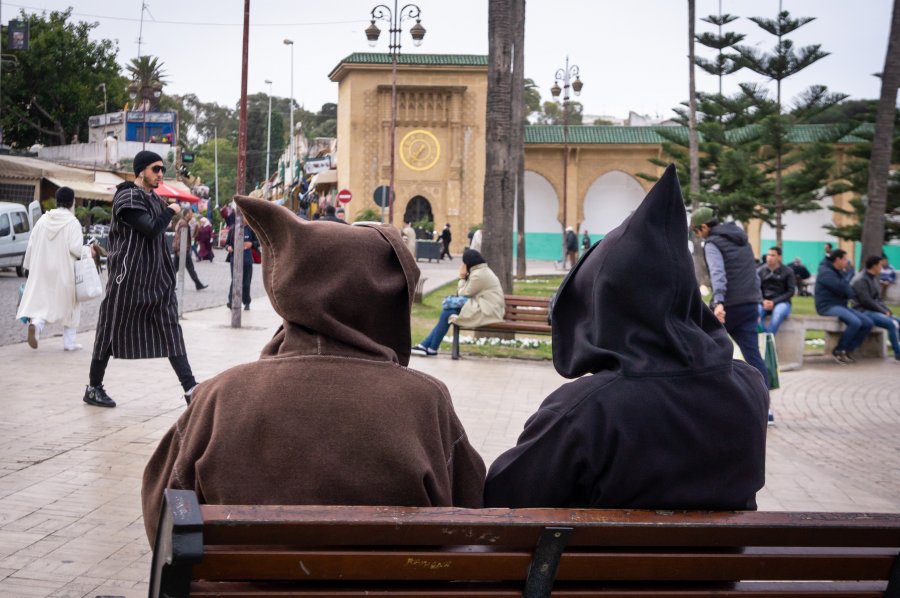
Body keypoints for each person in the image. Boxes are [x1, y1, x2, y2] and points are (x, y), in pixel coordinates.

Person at [141, 196, 486, 544]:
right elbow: (470, 511)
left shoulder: (219, 397)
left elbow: (164, 516)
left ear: (289, 290)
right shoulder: (425, 402)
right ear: (382, 299)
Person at [483, 165, 767, 510]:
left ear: (605, 305)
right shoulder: (750, 389)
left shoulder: (586, 412)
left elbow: (502, 501)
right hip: (729, 565)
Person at [85, 151, 199, 409]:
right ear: (140, 171)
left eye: (162, 169)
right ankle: (93, 387)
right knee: (109, 328)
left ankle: (191, 387)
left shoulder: (153, 198)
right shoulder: (127, 197)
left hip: (156, 279)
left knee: (170, 327)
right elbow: (150, 228)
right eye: (155, 169)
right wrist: (170, 210)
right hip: (128, 278)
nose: (160, 173)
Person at [691, 207, 768, 390]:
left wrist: (718, 302)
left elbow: (718, 273)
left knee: (707, 349)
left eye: (696, 231)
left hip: (728, 307)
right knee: (753, 355)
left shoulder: (712, 243)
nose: (697, 236)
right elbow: (753, 273)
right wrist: (757, 299)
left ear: (704, 227)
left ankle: (709, 397)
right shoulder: (743, 240)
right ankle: (765, 406)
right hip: (749, 304)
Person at [16, 187, 85, 351]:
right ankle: (69, 342)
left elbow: (31, 245)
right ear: (72, 202)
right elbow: (76, 248)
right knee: (70, 304)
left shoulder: (43, 220)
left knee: (43, 302)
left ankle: (37, 326)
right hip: (64, 270)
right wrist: (89, 251)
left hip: (42, 269)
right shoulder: (72, 222)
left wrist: (29, 267)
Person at [411, 248, 504, 357]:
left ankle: (428, 346)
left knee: (448, 312)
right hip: (483, 306)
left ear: (468, 263)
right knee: (448, 312)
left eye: (463, 263)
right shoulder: (480, 271)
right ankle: (430, 347)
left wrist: (462, 277)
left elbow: (463, 293)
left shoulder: (479, 275)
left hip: (488, 310)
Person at [815, 249, 874, 364]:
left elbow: (849, 291)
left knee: (867, 322)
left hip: (840, 305)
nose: (847, 262)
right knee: (855, 322)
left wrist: (847, 285)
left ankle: (848, 350)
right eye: (845, 259)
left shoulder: (838, 271)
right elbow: (841, 287)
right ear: (838, 260)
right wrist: (849, 274)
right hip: (827, 306)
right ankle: (838, 350)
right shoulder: (825, 272)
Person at [851, 255, 900, 363]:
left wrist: (887, 310)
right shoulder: (861, 280)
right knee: (892, 323)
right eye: (880, 266)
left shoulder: (872, 278)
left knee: (898, 320)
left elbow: (878, 299)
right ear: (874, 266)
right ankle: (898, 353)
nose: (882, 269)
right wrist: (883, 311)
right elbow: (866, 301)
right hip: (862, 311)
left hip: (872, 310)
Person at [757, 245, 795, 335]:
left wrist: (774, 302)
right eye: (768, 255)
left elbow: (791, 291)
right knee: (754, 315)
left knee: (777, 314)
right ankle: (765, 337)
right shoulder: (759, 271)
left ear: (779, 257)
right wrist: (762, 301)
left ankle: (768, 339)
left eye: (773, 255)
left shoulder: (788, 271)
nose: (769, 257)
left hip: (782, 303)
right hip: (763, 302)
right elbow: (755, 290)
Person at [225, 213, 259, 311]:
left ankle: (246, 302)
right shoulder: (232, 229)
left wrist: (252, 244)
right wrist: (229, 248)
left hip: (247, 260)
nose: (244, 219)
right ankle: (231, 301)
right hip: (234, 259)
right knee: (235, 280)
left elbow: (258, 242)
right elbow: (226, 244)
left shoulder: (250, 229)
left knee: (246, 283)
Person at [172, 209, 208, 291]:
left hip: (181, 249)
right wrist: (179, 250)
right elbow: (179, 238)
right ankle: (198, 284)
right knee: (190, 268)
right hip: (182, 250)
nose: (192, 215)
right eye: (191, 213)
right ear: (187, 214)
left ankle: (169, 285)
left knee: (174, 269)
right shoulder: (184, 224)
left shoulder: (182, 222)